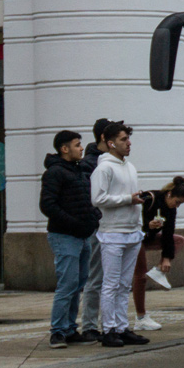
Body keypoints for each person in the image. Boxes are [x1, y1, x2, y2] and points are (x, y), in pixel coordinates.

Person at [39, 130, 101, 348]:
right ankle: (57, 331)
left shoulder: (78, 171)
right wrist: (73, 223)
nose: (81, 148)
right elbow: (47, 205)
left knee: (78, 283)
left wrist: (94, 218)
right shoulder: (55, 172)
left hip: (83, 236)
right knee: (67, 284)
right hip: (64, 236)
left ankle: (69, 329)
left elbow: (87, 200)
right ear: (64, 149)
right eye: (77, 145)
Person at [90, 121, 149, 347]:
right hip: (112, 233)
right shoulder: (104, 168)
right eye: (124, 140)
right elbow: (97, 199)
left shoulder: (129, 167)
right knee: (111, 283)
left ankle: (122, 327)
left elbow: (131, 198)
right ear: (110, 142)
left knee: (124, 284)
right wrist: (128, 199)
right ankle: (109, 329)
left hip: (132, 231)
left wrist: (140, 220)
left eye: (128, 139)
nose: (128, 143)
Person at [131, 176, 184, 332]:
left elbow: (168, 233)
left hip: (148, 237)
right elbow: (132, 219)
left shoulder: (171, 209)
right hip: (136, 237)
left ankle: (158, 270)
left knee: (179, 240)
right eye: (177, 202)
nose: (176, 206)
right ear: (169, 194)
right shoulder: (150, 198)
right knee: (140, 276)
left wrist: (166, 258)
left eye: (180, 204)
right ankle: (141, 317)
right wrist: (147, 226)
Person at [77, 117, 113, 343]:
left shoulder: (109, 161)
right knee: (95, 277)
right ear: (104, 138)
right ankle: (90, 325)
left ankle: (111, 324)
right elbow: (91, 197)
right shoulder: (91, 163)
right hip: (99, 227)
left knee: (109, 279)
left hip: (112, 226)